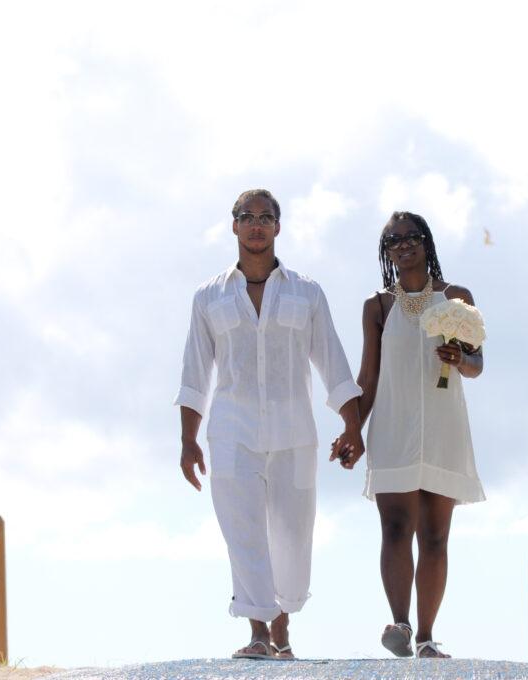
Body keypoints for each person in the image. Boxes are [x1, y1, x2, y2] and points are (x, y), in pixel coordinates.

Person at [176, 189, 364, 661]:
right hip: (231, 431)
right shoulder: (208, 296)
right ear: (233, 226)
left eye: (265, 217)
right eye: (246, 216)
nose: (256, 225)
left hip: (294, 431)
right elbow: (195, 372)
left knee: (292, 533)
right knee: (243, 529)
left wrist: (353, 426)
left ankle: (282, 630)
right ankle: (259, 632)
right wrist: (188, 439)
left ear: (278, 227)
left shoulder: (307, 292)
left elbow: (334, 363)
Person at [333, 210, 485, 659]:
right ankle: (398, 623)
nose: (403, 245)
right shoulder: (377, 307)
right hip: (394, 428)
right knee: (396, 527)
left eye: (411, 237)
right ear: (386, 253)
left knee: (435, 535)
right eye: (393, 241)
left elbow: (477, 366)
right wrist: (351, 430)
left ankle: (426, 636)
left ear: (426, 242)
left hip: (444, 429)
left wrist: (460, 359)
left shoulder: (456, 299)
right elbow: (368, 377)